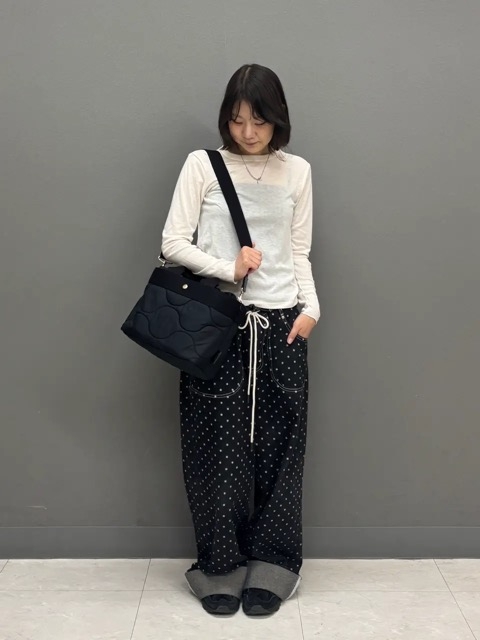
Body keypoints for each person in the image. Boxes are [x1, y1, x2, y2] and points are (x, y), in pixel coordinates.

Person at [161, 63, 320, 617]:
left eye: (259, 120)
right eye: (236, 120)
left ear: (279, 119)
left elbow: (298, 251)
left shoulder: (297, 171)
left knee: (281, 450)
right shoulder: (202, 165)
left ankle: (275, 562)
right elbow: (172, 242)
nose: (248, 132)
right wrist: (228, 268)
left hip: (283, 324)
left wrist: (312, 308)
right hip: (220, 327)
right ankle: (219, 565)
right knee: (215, 449)